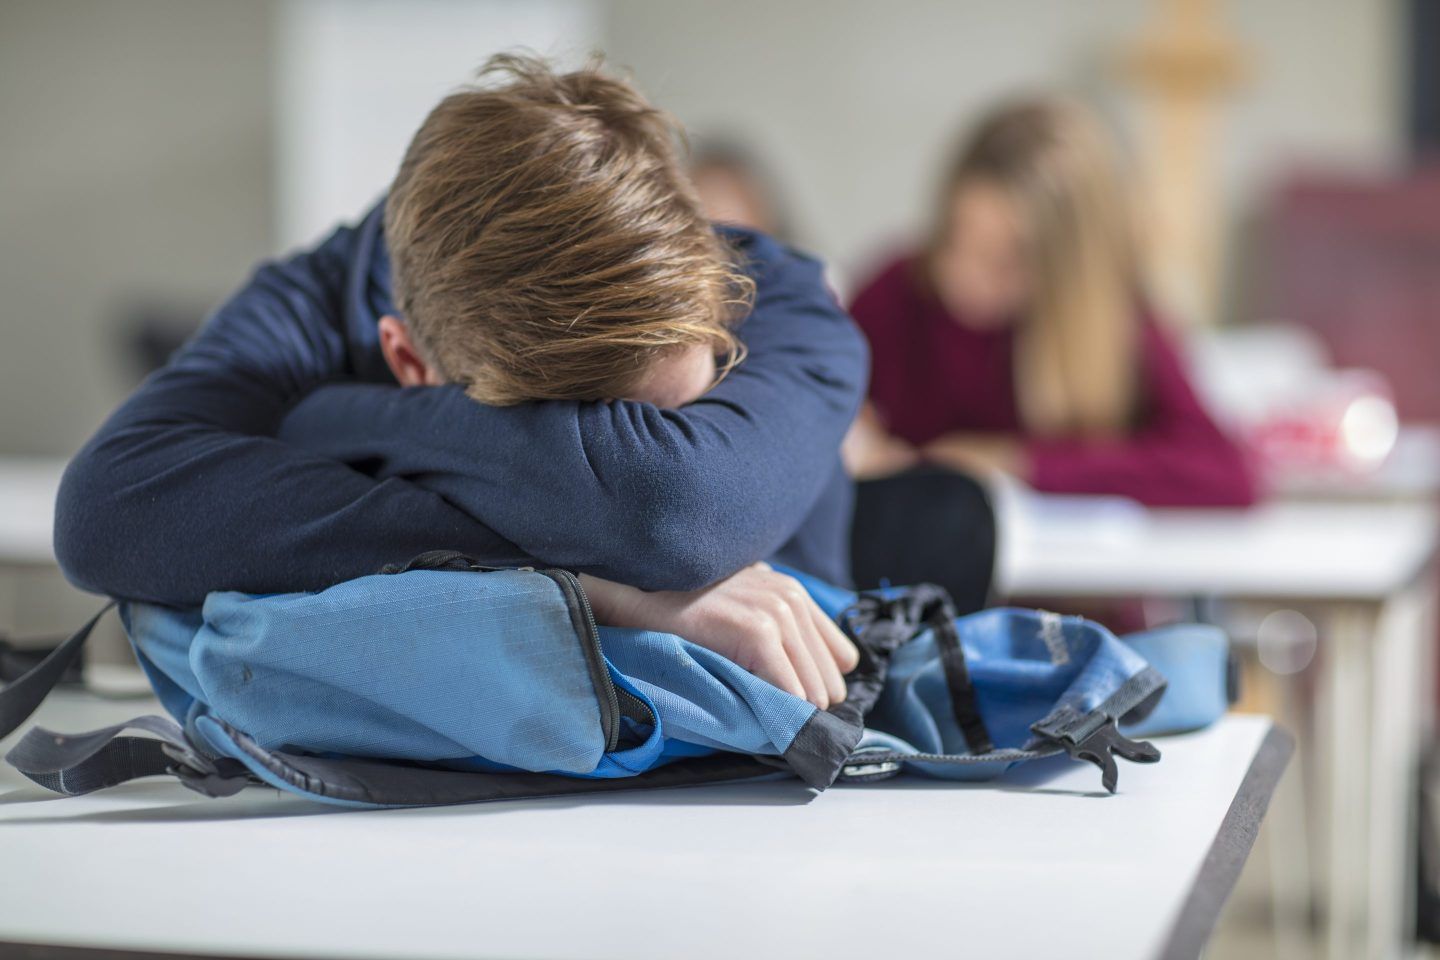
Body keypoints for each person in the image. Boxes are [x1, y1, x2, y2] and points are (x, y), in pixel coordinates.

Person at [54, 55, 864, 709]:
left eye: (683, 416)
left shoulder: (775, 294)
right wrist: (590, 587)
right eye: (571, 436)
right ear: (411, 361)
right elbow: (103, 512)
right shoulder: (313, 303)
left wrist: (338, 420)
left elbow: (671, 509)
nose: (620, 460)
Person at [844, 97, 1255, 605]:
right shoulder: (894, 292)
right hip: (918, 616)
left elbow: (1225, 474)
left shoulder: (1114, 322)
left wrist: (1017, 464)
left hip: (1076, 623)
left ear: (1068, 266)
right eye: (957, 240)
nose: (965, 277)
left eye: (1006, 258)